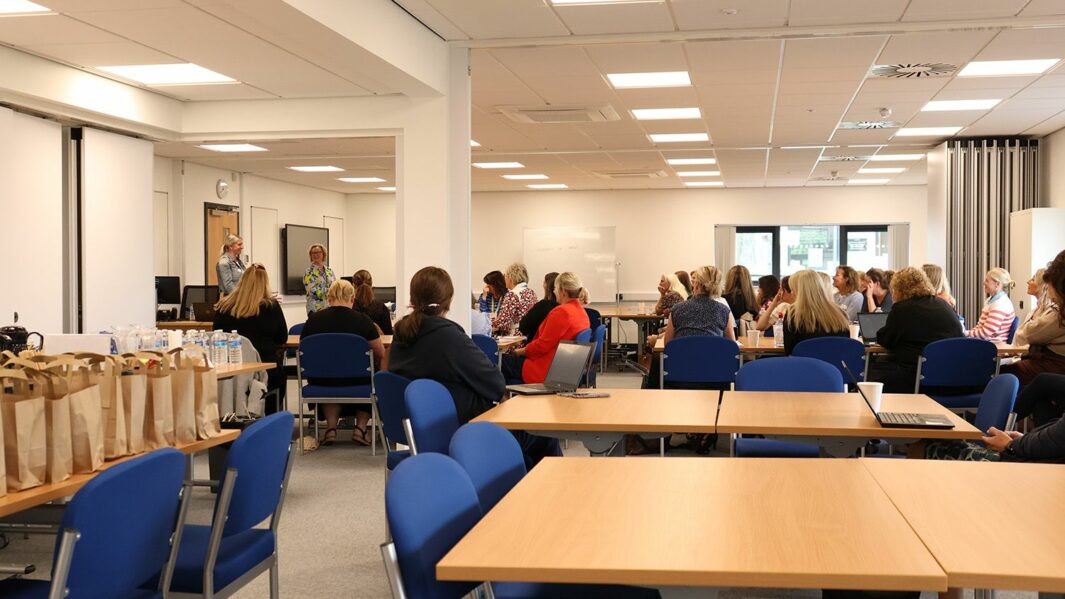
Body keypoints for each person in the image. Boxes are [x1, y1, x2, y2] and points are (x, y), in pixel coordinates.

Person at [388, 267, 504, 423]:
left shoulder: (400, 335)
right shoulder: (450, 337)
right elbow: (496, 383)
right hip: (459, 427)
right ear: (448, 301)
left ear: (412, 298)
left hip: (414, 426)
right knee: (540, 439)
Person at [300, 280, 386, 446]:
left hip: (322, 381)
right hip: (359, 380)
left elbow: (304, 351)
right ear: (352, 298)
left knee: (331, 373)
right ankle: (360, 429)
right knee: (371, 374)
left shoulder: (313, 321)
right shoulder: (363, 321)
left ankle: (331, 429)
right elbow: (380, 353)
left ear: (329, 298)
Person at [870, 267, 964, 393]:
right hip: (954, 378)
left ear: (898, 289)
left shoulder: (902, 309)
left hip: (917, 379)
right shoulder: (943, 304)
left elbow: (885, 339)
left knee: (873, 378)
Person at [212, 264, 288, 413]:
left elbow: (216, 332)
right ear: (265, 284)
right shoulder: (271, 307)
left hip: (230, 373)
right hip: (264, 372)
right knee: (280, 376)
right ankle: (269, 419)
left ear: (242, 281)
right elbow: (281, 338)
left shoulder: (223, 306)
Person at [502, 272, 590, 384]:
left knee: (499, 361)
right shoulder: (582, 312)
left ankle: (505, 399)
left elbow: (542, 346)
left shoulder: (561, 312)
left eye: (556, 288)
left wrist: (519, 352)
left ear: (563, 291)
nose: (554, 291)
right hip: (565, 370)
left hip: (544, 370)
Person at [1003, 253, 1065, 384]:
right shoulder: (1045, 309)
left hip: (1054, 366)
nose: (1028, 282)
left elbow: (1029, 334)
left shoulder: (1059, 313)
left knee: (1002, 374)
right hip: (1047, 363)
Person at [782, 269, 850, 355]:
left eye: (793, 289)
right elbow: (845, 347)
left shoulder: (793, 315)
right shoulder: (841, 313)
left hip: (804, 366)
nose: (792, 293)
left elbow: (789, 351)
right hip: (835, 367)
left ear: (801, 291)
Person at [662, 266, 736, 343]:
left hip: (684, 354)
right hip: (712, 354)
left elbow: (667, 343)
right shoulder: (724, 311)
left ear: (697, 284)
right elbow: (732, 346)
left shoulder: (677, 309)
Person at [966, 267, 1016, 342]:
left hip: (992, 345)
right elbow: (982, 328)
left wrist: (965, 333)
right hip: (986, 342)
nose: (984, 283)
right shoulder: (991, 300)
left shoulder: (1000, 304)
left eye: (987, 281)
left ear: (997, 284)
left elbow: (986, 333)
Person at [491, 263, 538, 335]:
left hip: (515, 338)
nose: (504, 279)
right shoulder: (531, 292)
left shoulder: (512, 295)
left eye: (505, 276)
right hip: (529, 336)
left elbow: (503, 322)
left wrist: (487, 323)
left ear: (511, 278)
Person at [518, 272, 559, 343]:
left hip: (537, 346)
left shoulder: (543, 306)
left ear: (547, 286)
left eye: (544, 282)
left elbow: (523, 327)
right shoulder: (564, 306)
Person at [303, 243, 336, 315]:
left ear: (323, 254)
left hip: (330, 307)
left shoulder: (329, 270)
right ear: (310, 256)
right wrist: (330, 291)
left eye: (318, 252)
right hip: (315, 309)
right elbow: (313, 292)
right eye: (313, 253)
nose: (316, 254)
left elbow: (335, 286)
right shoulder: (308, 272)